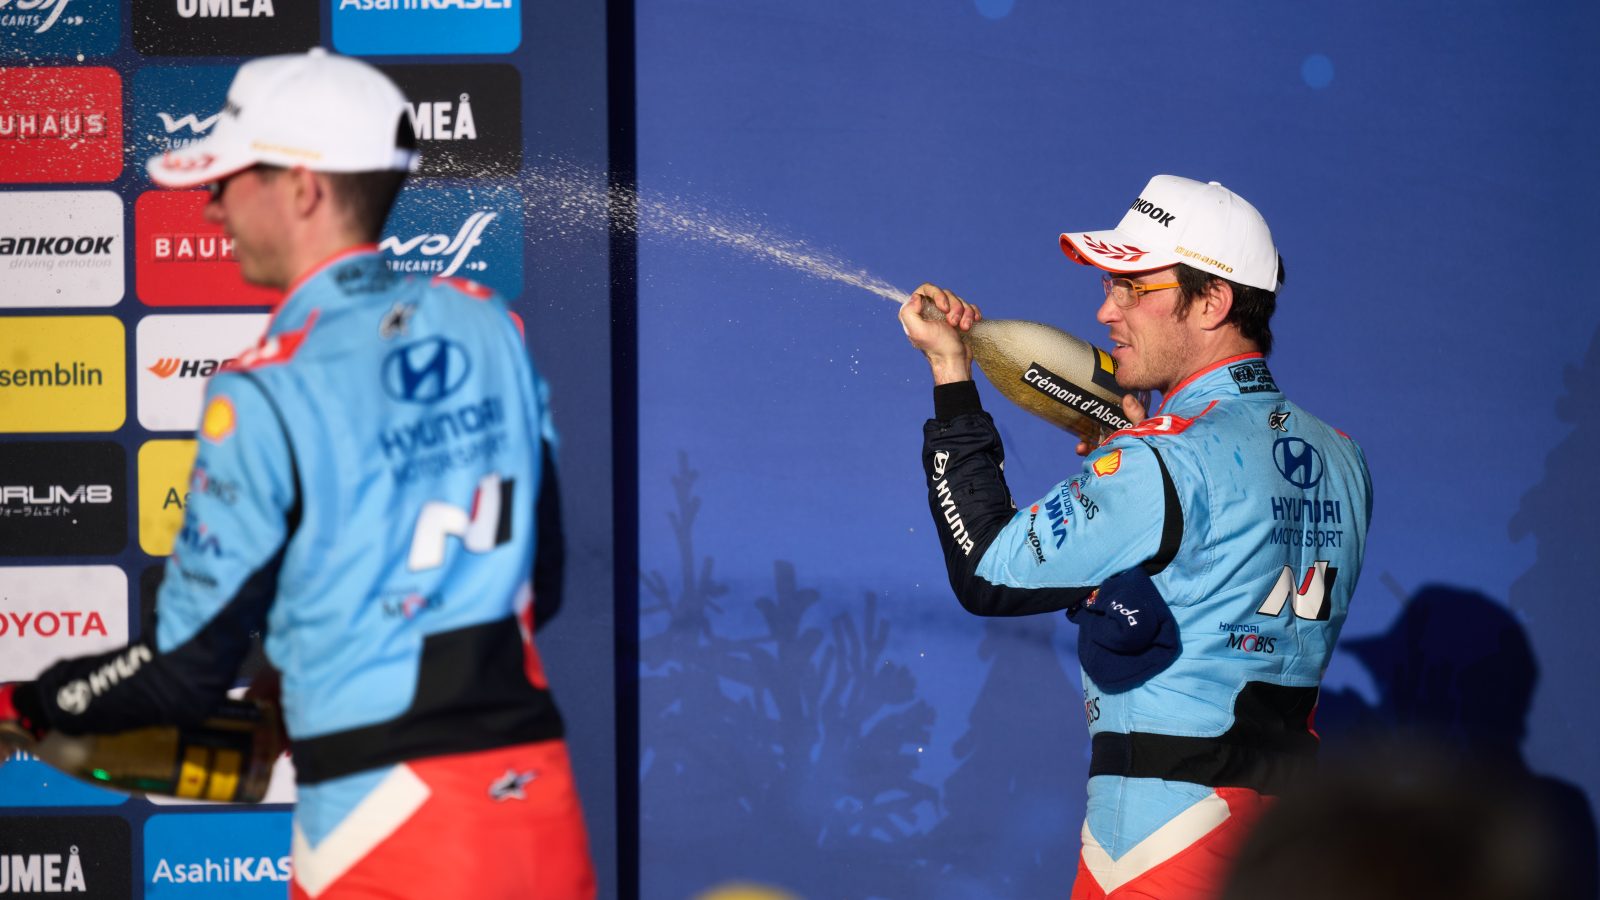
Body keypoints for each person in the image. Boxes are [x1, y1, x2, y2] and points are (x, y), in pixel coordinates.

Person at [0, 49, 595, 900]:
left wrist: (34, 704)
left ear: (303, 189)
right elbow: (544, 578)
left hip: (388, 833)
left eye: (227, 179)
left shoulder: (268, 386)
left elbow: (185, 670)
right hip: (535, 802)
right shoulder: (486, 323)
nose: (211, 206)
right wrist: (297, 668)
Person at [899, 174, 1372, 899]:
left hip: (1159, 851)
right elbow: (1210, 585)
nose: (1106, 310)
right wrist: (1134, 461)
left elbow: (986, 570)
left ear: (1212, 301)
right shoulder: (1342, 457)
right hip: (1285, 847)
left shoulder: (1162, 460)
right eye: (1109, 285)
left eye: (1133, 287)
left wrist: (950, 372)